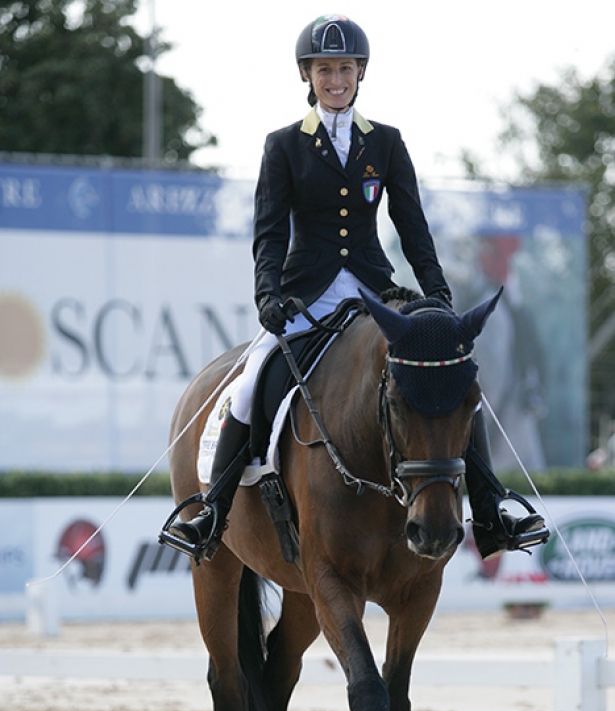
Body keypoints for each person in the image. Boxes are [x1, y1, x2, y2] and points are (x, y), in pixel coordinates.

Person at [165, 13, 548, 562]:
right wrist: (267, 295)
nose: (336, 78)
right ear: (308, 75)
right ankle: (213, 512)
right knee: (250, 384)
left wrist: (435, 294)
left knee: (449, 377)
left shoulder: (386, 143)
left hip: (376, 292)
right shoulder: (283, 146)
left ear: (360, 72)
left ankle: (489, 512)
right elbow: (269, 234)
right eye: (325, 69)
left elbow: (412, 225)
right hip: (306, 294)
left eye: (345, 68)